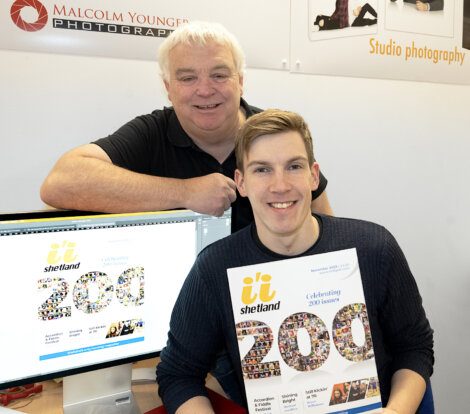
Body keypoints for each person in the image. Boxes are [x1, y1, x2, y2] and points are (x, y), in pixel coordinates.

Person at [156, 109, 434, 414]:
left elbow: (415, 347)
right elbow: (177, 375)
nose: (280, 185)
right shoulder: (215, 269)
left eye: (294, 166)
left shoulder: (374, 248)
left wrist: (396, 411)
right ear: (241, 181)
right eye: (262, 170)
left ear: (313, 175)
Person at [39, 21, 332, 233]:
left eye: (219, 75)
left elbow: (326, 229)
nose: (205, 90)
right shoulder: (151, 133)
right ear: (168, 87)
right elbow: (61, 182)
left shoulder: (276, 134)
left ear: (240, 81)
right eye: (187, 78)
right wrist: (184, 193)